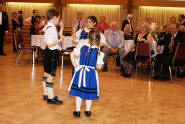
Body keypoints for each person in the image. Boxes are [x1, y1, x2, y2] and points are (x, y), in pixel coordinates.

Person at [69, 29, 104, 118]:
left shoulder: (82, 47)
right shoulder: (99, 53)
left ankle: (77, 111)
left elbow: (72, 54)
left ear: (88, 38)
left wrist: (76, 66)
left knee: (79, 93)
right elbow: (99, 67)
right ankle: (87, 111)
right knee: (89, 94)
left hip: (80, 72)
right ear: (98, 40)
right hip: (91, 74)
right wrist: (95, 65)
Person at [42, 8, 64, 105]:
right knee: (50, 75)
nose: (59, 21)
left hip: (49, 53)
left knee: (46, 73)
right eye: (59, 18)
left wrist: (61, 29)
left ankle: (46, 93)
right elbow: (50, 44)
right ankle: (51, 98)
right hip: (52, 54)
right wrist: (60, 40)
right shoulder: (51, 29)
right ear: (55, 17)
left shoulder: (48, 27)